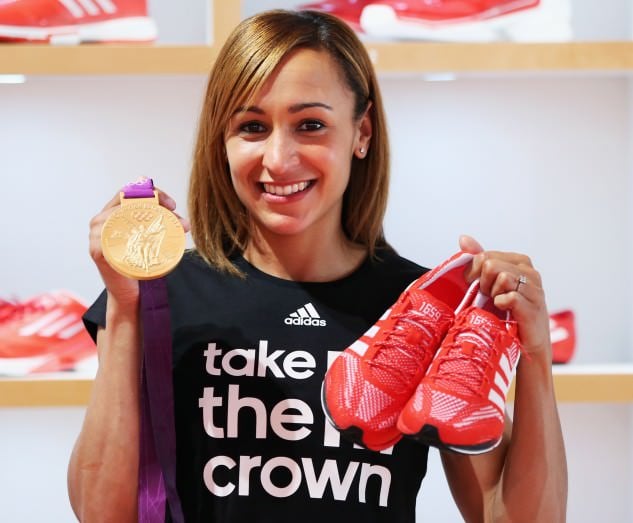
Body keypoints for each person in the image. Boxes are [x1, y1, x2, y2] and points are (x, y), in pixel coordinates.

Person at [67, 8, 567, 523]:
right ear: (223, 140)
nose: (279, 159)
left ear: (362, 132)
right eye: (252, 127)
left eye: (311, 125)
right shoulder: (163, 295)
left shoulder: (425, 307)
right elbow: (103, 514)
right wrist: (127, 308)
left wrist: (534, 357)